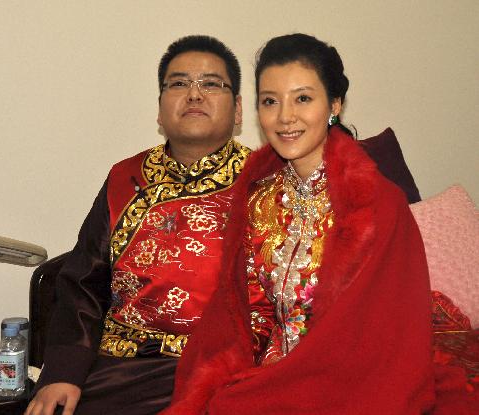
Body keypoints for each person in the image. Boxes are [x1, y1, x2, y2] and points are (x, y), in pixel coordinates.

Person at [160, 33, 442, 414]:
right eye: (270, 102)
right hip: (273, 380)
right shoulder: (258, 198)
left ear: (335, 105)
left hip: (350, 384)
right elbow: (243, 314)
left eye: (303, 98)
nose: (285, 117)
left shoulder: (378, 204)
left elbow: (384, 341)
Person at [25, 35, 250, 415]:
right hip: (124, 369)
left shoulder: (266, 183)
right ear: (160, 110)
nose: (194, 95)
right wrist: (62, 372)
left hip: (226, 372)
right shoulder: (124, 179)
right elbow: (83, 283)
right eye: (178, 84)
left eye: (211, 84)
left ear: (239, 109)